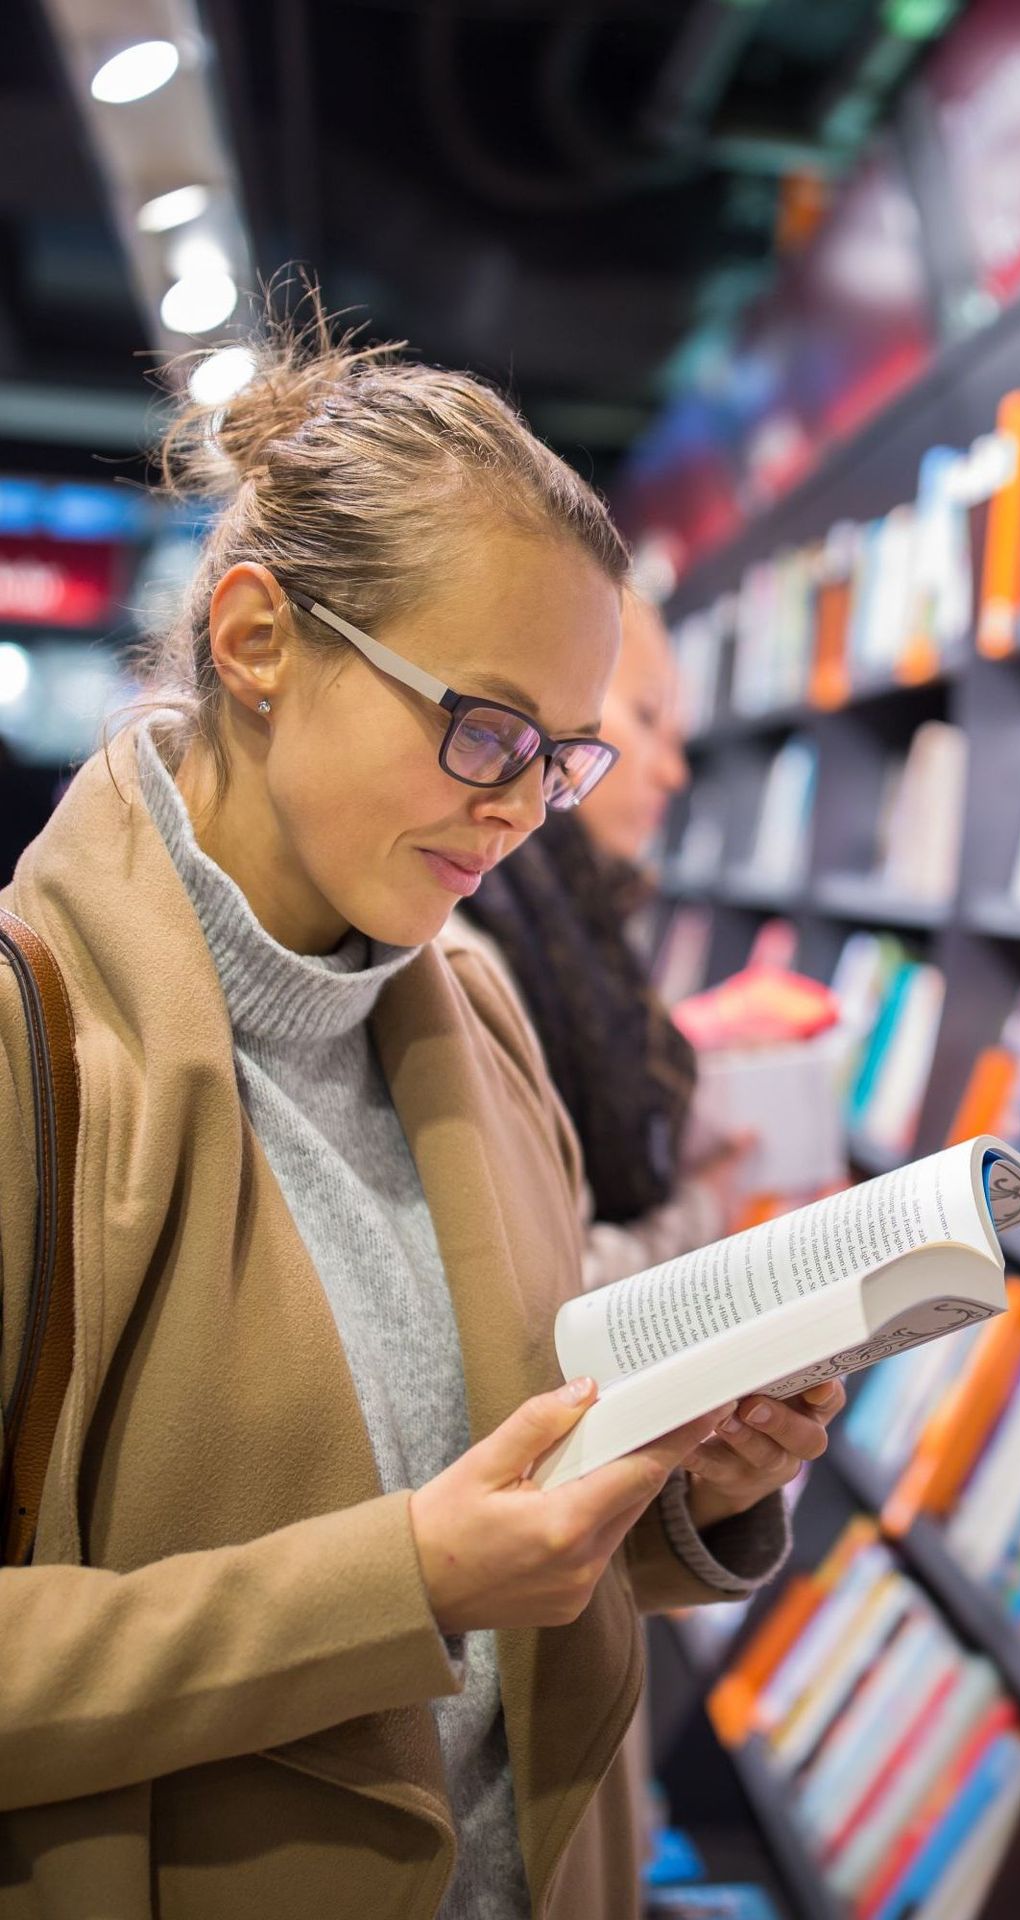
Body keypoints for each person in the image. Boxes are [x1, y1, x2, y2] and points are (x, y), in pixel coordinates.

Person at [0, 306, 840, 1920]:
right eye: (485, 731)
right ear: (254, 642)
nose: (523, 811)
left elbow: (520, 1512)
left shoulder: (476, 1012)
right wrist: (407, 1582)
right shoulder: (35, 1048)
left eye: (563, 762)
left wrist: (700, 1485)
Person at [458, 588, 755, 1288]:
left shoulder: (575, 918)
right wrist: (706, 1209)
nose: (674, 771)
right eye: (648, 717)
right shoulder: (471, 931)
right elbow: (546, 1282)